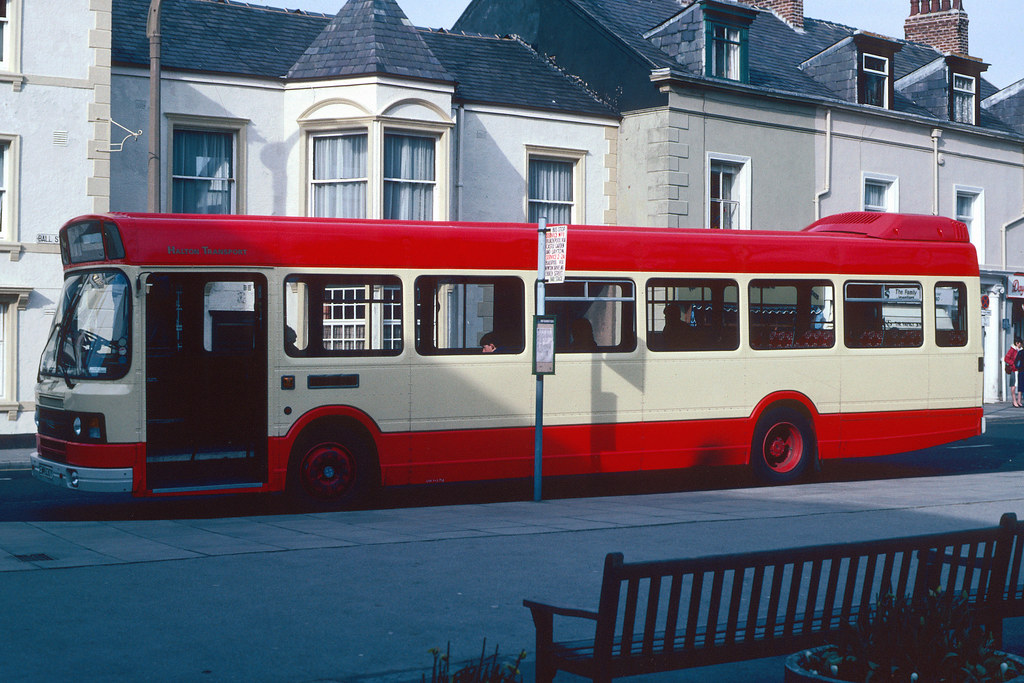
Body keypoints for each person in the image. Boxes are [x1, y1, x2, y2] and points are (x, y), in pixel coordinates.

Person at [1006, 338, 1023, 407]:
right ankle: (1014, 401)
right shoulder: (1012, 350)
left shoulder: (1021, 350)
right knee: (1013, 386)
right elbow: (1006, 358)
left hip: (1020, 370)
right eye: (1019, 343)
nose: (1020, 344)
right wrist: (1013, 364)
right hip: (1014, 370)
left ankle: (1019, 400)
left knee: (1020, 385)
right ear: (1017, 343)